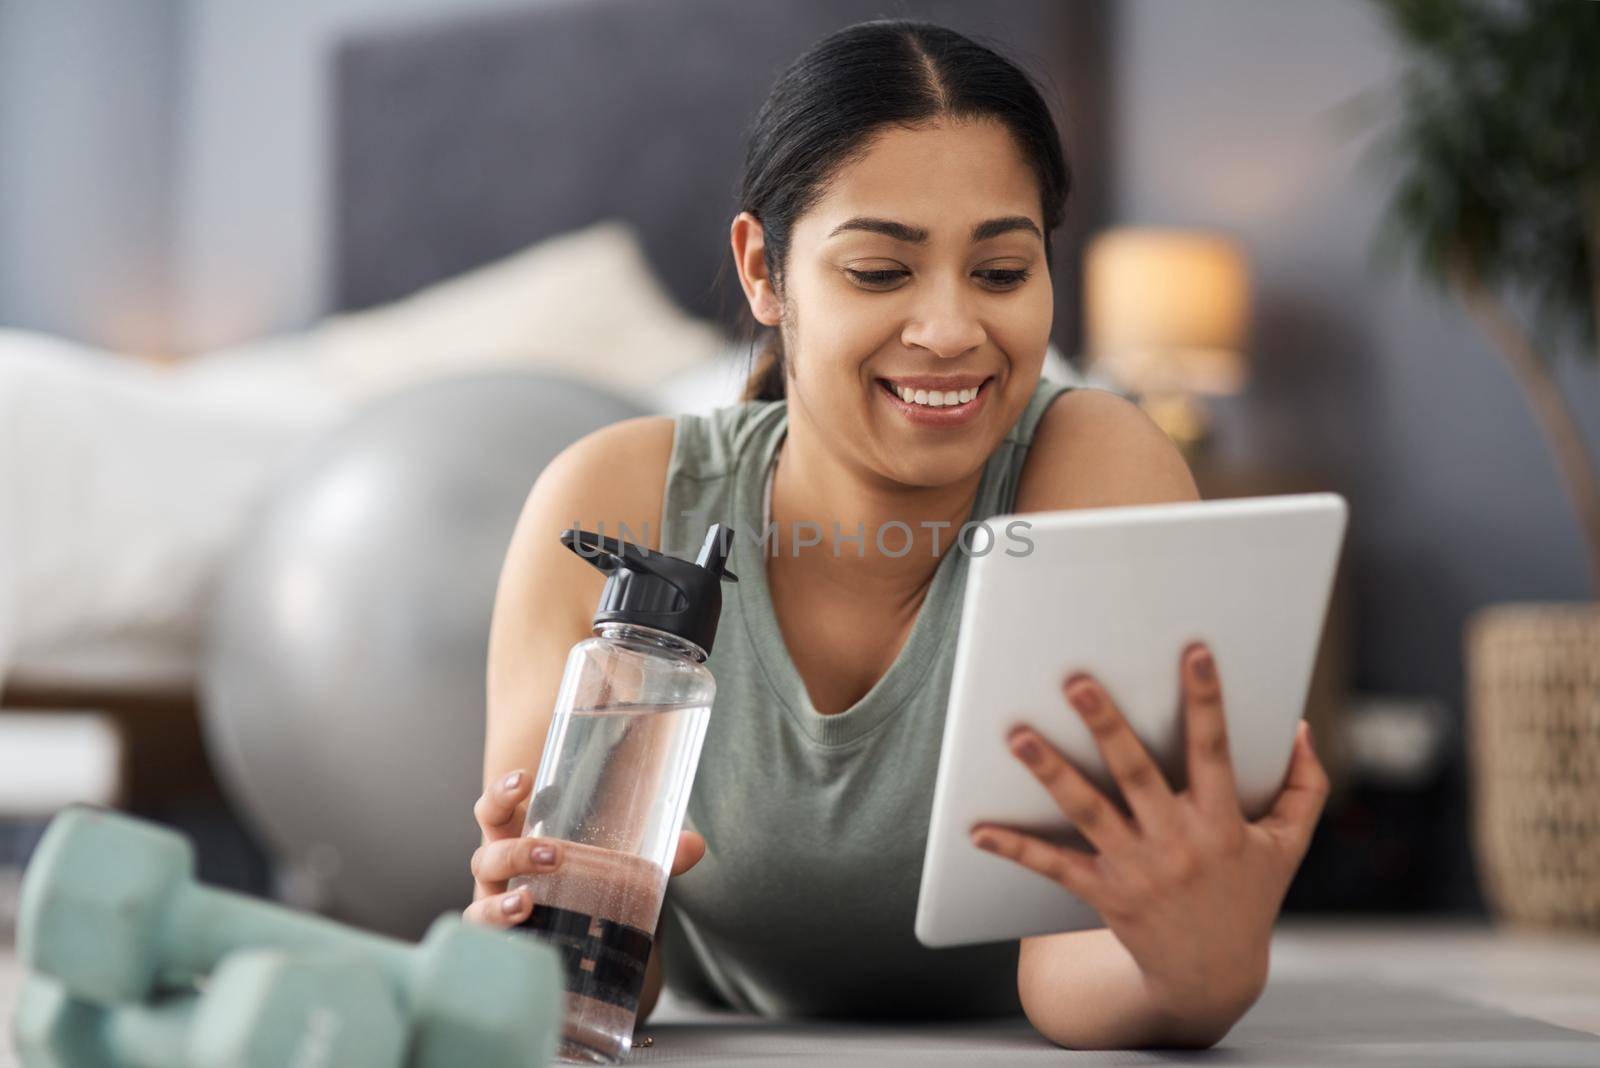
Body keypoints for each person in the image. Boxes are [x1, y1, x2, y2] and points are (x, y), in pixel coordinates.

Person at [464, 18, 1328, 1050]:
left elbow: (1070, 968)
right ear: (764, 273)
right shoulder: (612, 498)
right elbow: (611, 974)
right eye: (879, 272)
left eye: (1002, 273)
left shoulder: (1094, 463)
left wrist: (1197, 966)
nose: (951, 330)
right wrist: (537, 937)